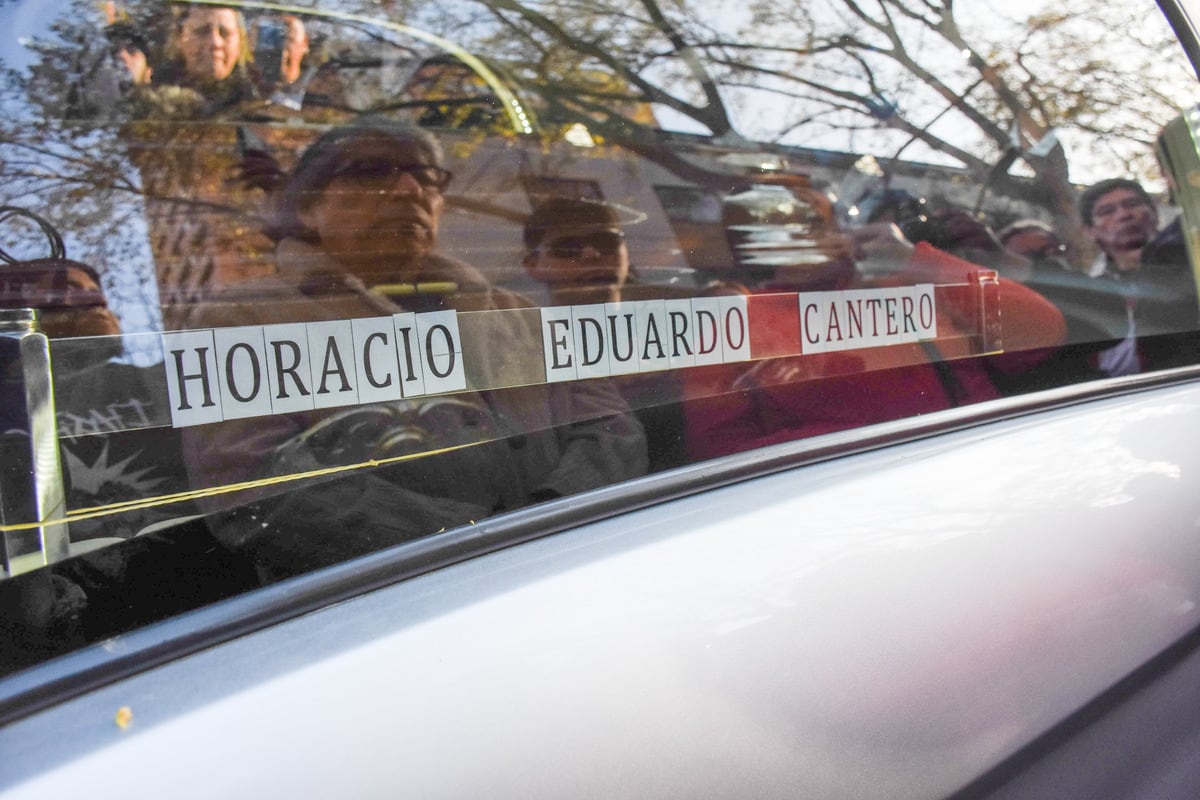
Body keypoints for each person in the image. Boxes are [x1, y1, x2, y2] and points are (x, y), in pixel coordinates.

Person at [179, 119, 647, 578]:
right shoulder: (243, 319)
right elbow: (251, 488)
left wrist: (552, 515)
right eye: (370, 171)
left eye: (426, 176)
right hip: (389, 609)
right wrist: (474, 544)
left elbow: (610, 426)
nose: (408, 190)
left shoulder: (513, 309)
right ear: (308, 208)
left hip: (572, 575)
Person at [681, 220, 1068, 460]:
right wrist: (878, 443)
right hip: (860, 503)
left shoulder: (910, 284)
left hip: (995, 462)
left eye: (822, 222)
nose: (821, 234)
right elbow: (720, 450)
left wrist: (913, 259)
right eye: (793, 226)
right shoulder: (733, 322)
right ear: (756, 246)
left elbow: (1042, 332)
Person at [521, 197, 688, 470]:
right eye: (568, 247)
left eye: (606, 242)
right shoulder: (524, 351)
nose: (592, 255)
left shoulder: (678, 330)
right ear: (533, 265)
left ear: (626, 251)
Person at [1077, 178, 1199, 375]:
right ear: (1090, 231)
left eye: (1132, 204)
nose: (1124, 215)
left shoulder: (1193, 262)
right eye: (1107, 211)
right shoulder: (1087, 295)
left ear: (1155, 213)